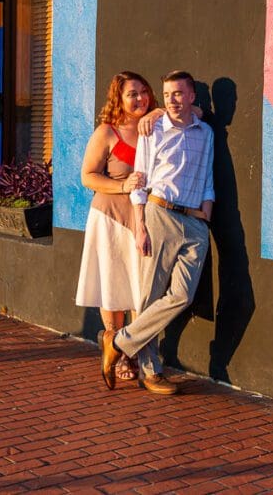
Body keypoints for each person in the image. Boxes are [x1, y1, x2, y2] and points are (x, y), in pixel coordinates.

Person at [101, 70, 214, 395]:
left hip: (195, 223)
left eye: (179, 94)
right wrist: (140, 225)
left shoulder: (205, 132)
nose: (173, 100)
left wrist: (208, 207)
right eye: (168, 95)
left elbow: (207, 175)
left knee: (182, 296)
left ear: (192, 97)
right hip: (159, 213)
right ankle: (151, 372)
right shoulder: (152, 130)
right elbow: (141, 178)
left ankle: (118, 342)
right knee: (149, 297)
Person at [76, 71, 159, 382]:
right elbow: (88, 176)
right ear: (119, 99)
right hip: (110, 219)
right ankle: (115, 346)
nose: (139, 99)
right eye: (131, 94)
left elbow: (198, 114)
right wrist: (123, 186)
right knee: (113, 287)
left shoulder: (156, 127)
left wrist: (161, 111)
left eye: (144, 91)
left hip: (146, 223)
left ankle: (131, 349)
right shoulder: (107, 133)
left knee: (140, 289)